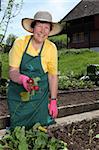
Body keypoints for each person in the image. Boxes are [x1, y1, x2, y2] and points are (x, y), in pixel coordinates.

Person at [7, 11, 64, 129]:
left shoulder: (51, 48)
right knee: (18, 129)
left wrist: (53, 101)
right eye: (39, 26)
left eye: (46, 27)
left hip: (39, 97)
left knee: (40, 128)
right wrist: (22, 79)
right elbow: (13, 72)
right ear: (33, 28)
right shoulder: (20, 43)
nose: (42, 31)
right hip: (19, 95)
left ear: (49, 31)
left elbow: (53, 76)